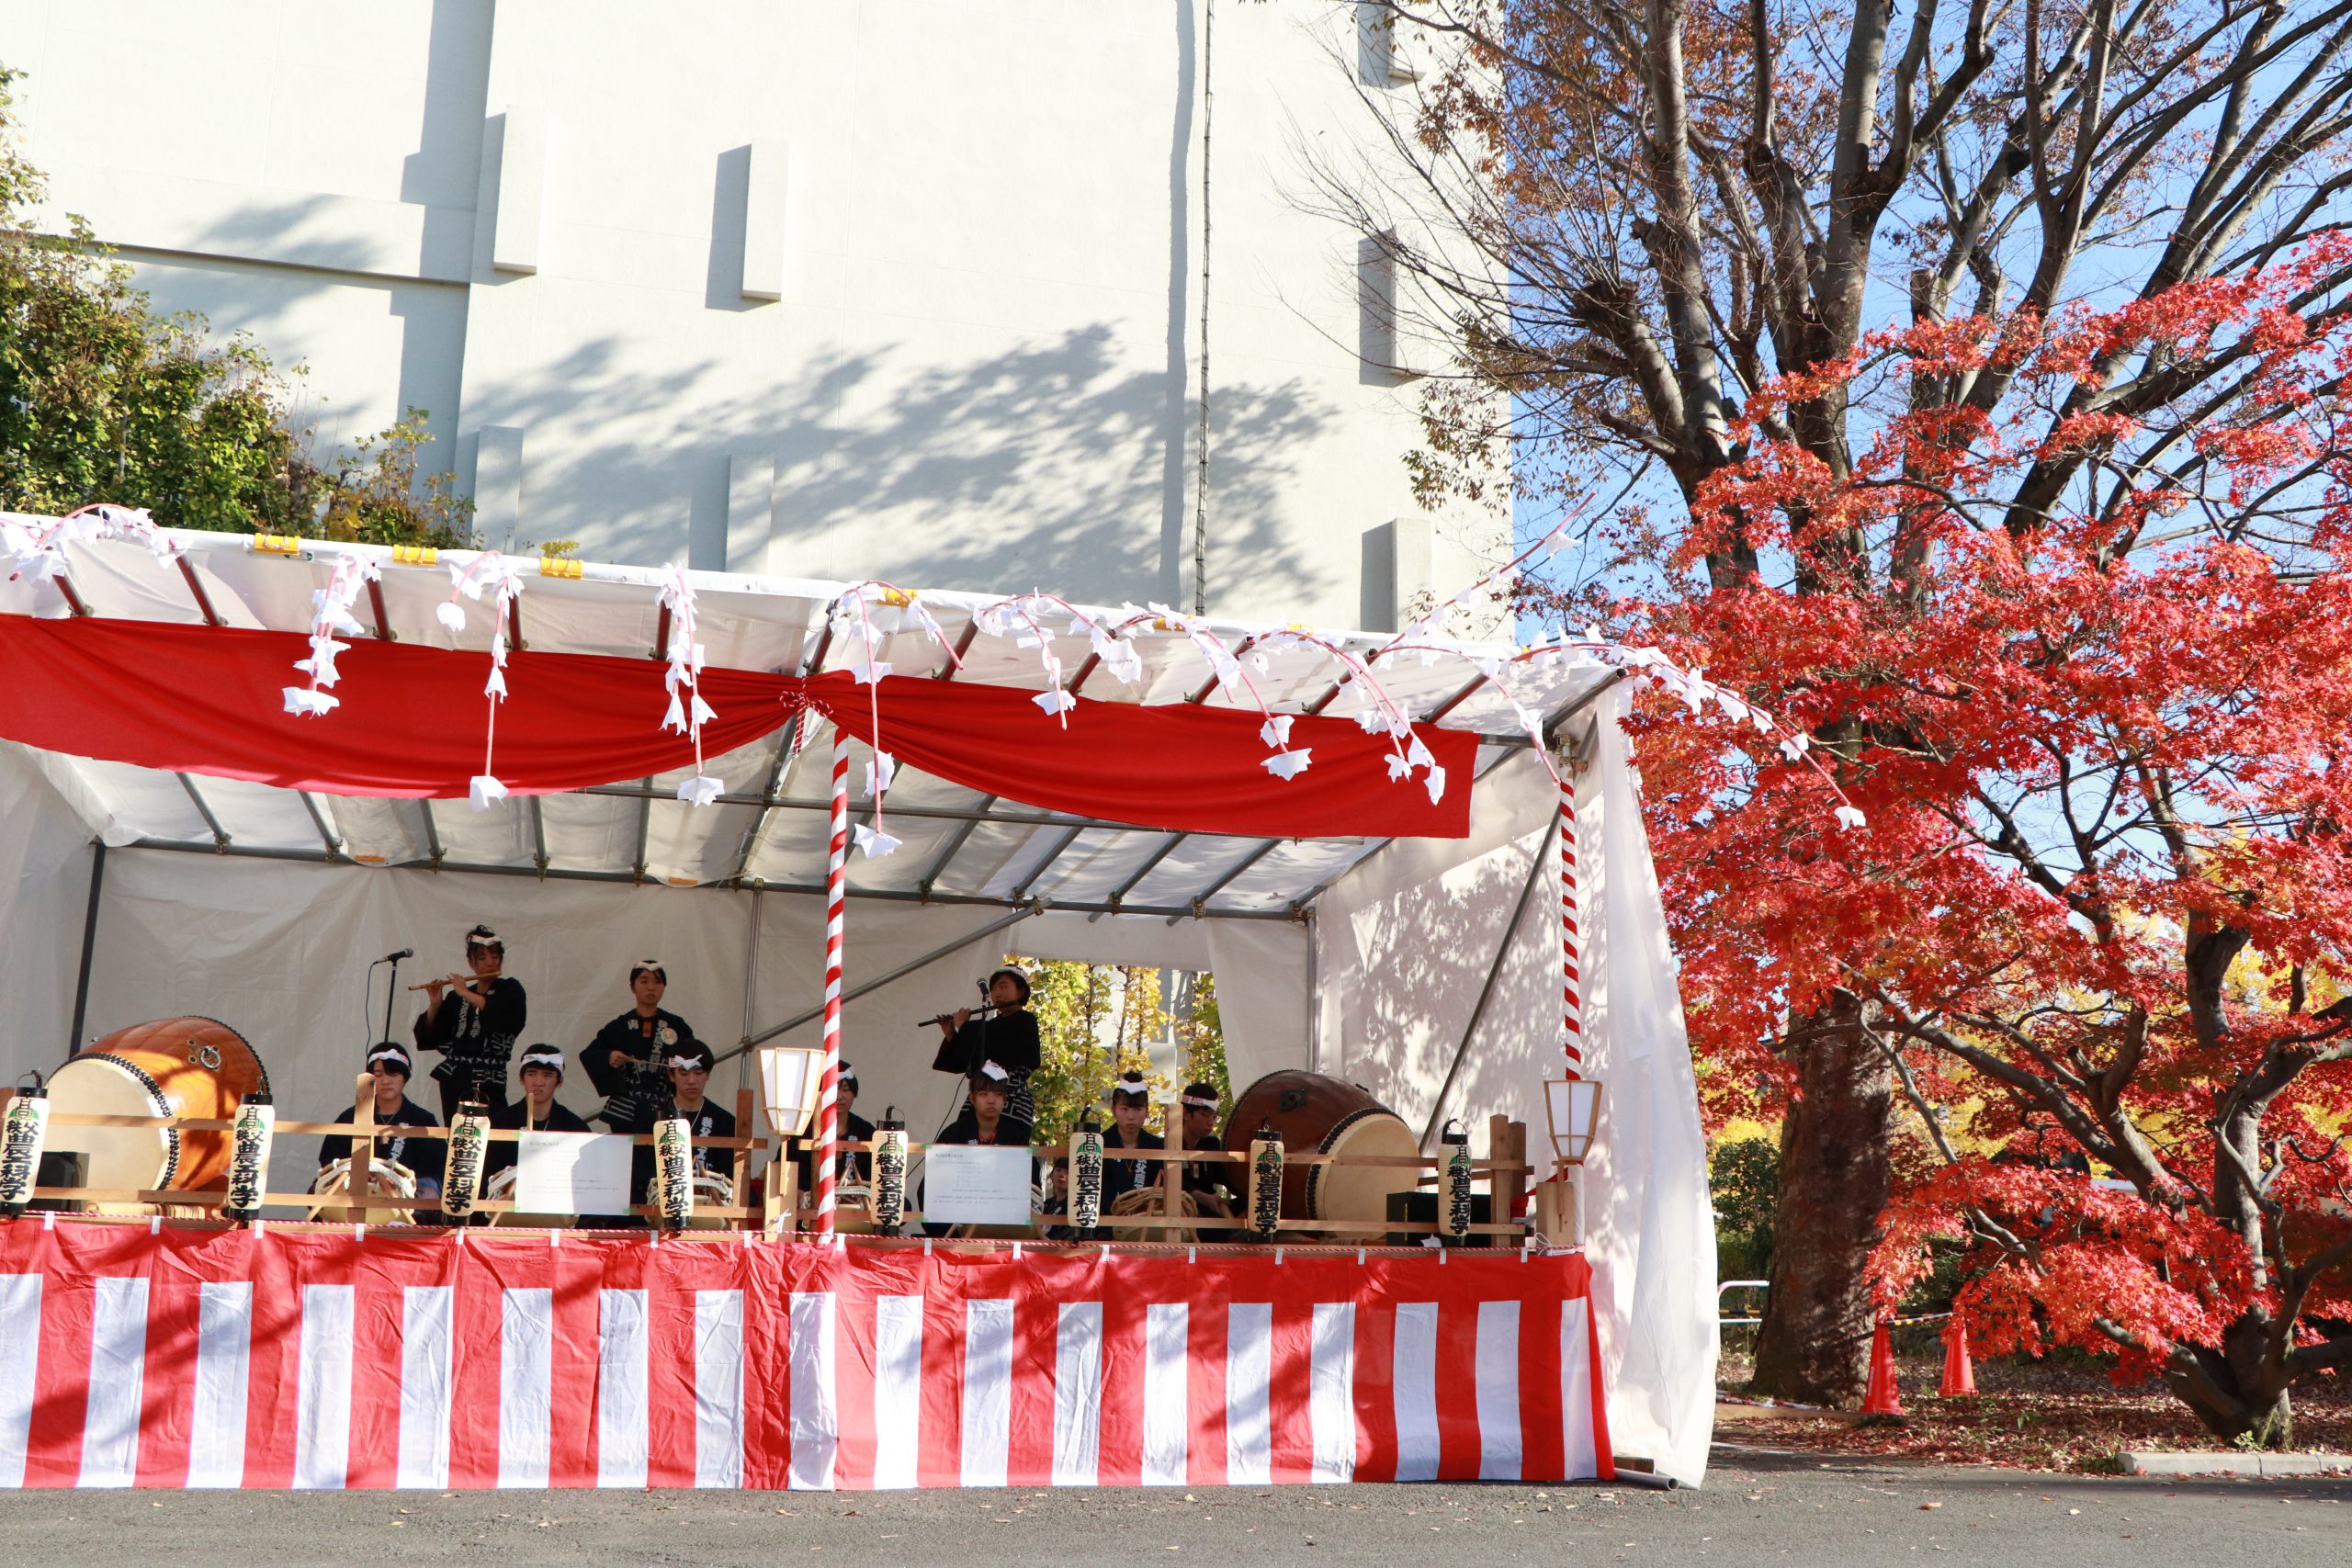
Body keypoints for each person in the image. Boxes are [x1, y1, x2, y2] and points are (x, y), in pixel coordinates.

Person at [413, 923, 526, 1120]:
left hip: (489, 1079)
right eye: (482, 958)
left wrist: (465, 992)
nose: (490, 963)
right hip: (454, 1079)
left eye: (495, 957)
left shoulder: (510, 989)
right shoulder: (456, 998)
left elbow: (503, 1016)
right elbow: (431, 1037)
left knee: (491, 1139)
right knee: (457, 1141)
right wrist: (435, 1004)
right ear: (471, 962)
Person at [581, 958, 696, 1134]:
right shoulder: (620, 1025)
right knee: (626, 1157)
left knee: (663, 1156)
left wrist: (678, 1067)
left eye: (657, 982)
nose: (651, 987)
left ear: (664, 987)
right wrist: (609, 1056)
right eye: (644, 981)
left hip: (666, 1104)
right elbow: (589, 1054)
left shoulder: (676, 1025)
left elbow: (693, 1058)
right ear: (632, 987)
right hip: (626, 1106)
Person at [318, 1042, 446, 1198]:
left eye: (393, 1074)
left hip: (406, 1194)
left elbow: (434, 1169)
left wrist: (399, 1184)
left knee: (429, 1193)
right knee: (317, 1190)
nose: (385, 1081)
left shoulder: (423, 1120)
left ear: (405, 1077)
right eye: (378, 1075)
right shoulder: (349, 1117)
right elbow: (331, 1161)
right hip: (356, 1191)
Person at [932, 967, 1041, 1130]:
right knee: (962, 1140)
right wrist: (951, 1036)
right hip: (979, 1098)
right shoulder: (990, 1027)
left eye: (1003, 987)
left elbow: (1000, 1043)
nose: (996, 993)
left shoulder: (1026, 1020)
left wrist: (965, 1026)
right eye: (993, 989)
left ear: (1021, 991)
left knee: (1005, 1146)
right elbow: (959, 1062)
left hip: (1011, 1099)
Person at [633, 1039, 738, 1205]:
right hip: (663, 1205)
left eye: (698, 1073)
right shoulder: (652, 1120)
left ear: (708, 1074)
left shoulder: (724, 1122)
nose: (691, 1080)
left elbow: (730, 1176)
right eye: (683, 1073)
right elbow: (641, 1173)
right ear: (671, 1075)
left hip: (710, 1206)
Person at [486, 1044, 592, 1182]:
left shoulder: (574, 1126)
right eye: (531, 1074)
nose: (539, 1082)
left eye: (547, 1075)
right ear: (521, 1079)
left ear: (559, 1082)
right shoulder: (499, 1123)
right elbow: (486, 1174)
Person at [794, 1061, 874, 1191]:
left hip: (856, 1203)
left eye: (845, 1090)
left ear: (854, 1093)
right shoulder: (802, 1129)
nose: (839, 1096)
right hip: (809, 1202)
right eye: (833, 1090)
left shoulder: (866, 1131)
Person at [933, 1061, 1030, 1147]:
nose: (991, 1100)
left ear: (1005, 1099)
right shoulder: (953, 1134)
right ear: (972, 1098)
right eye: (983, 1094)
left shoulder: (1016, 1137)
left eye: (998, 1094)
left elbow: (1031, 1166)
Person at [1101, 1072, 1164, 1201]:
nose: (1131, 1116)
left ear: (1147, 1111)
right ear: (1113, 1110)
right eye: (1124, 1109)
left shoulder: (1157, 1146)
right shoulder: (1099, 1144)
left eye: (1138, 1109)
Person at [1177, 1080, 1234, 1220]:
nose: (1211, 1122)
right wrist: (1204, 1198)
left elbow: (1226, 1176)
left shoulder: (1212, 1144)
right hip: (1181, 1211)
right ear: (1185, 1113)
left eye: (1214, 1116)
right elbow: (1174, 1183)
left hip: (1211, 1208)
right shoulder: (1168, 1145)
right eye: (1204, 1115)